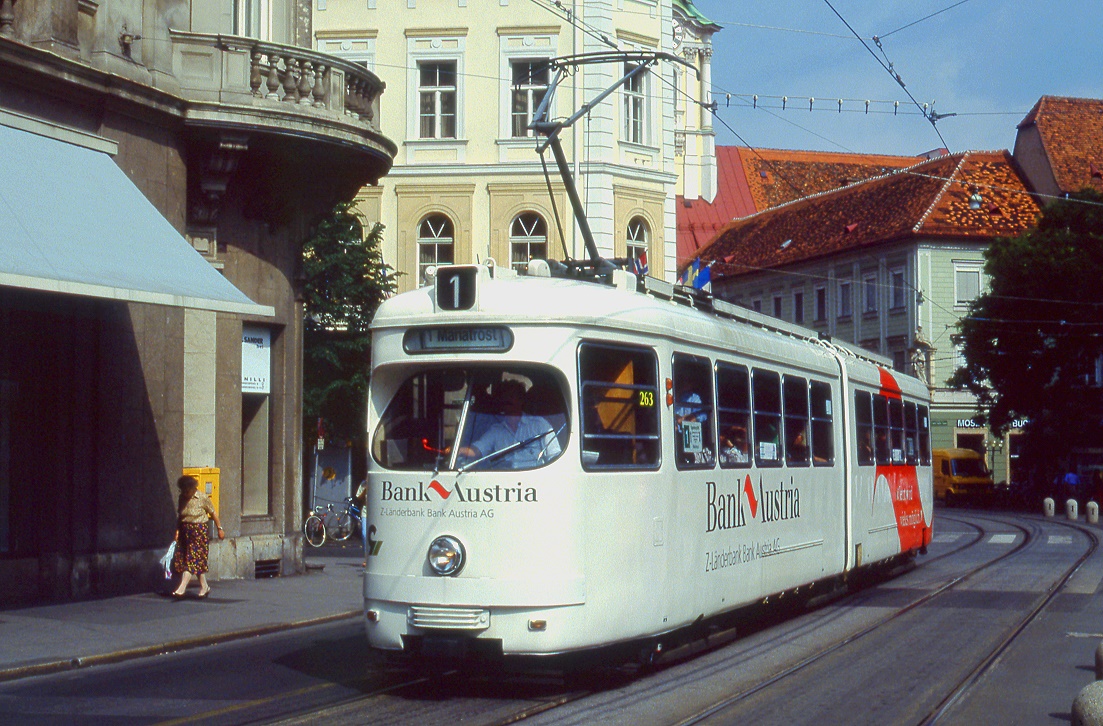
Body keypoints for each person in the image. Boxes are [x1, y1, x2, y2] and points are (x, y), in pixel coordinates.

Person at [457, 380, 561, 469]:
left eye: (511, 397)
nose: (508, 401)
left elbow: (554, 455)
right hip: (503, 484)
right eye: (505, 398)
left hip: (532, 484)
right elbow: (477, 450)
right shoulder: (496, 430)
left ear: (521, 400)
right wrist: (459, 451)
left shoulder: (539, 425)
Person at [170, 474, 224, 599]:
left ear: (193, 488)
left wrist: (219, 528)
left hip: (199, 531)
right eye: (182, 491)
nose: (185, 493)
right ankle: (205, 587)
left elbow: (213, 513)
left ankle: (182, 587)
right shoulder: (181, 498)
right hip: (185, 531)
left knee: (192, 559)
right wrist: (177, 531)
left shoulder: (202, 497)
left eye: (187, 491)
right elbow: (180, 515)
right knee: (191, 560)